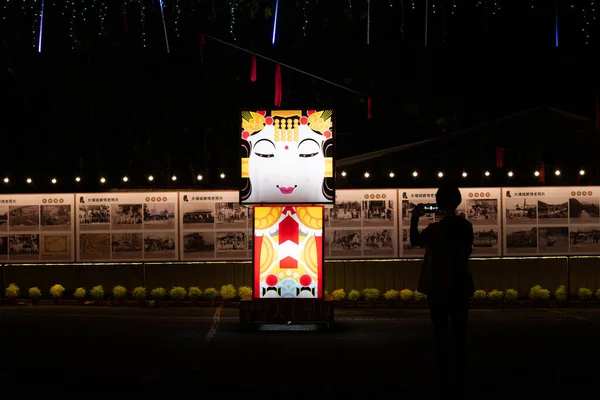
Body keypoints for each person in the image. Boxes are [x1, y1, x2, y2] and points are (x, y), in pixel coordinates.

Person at [410, 184, 475, 393]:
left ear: (438, 203)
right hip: (461, 284)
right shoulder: (466, 226)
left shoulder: (435, 229)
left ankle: (443, 375)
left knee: (440, 331)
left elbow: (414, 241)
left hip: (438, 285)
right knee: (459, 329)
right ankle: (461, 373)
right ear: (457, 202)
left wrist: (415, 218)